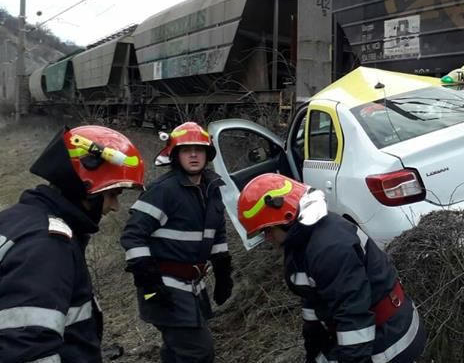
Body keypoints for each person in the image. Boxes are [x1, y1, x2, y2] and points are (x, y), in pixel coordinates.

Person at [236, 174, 426, 363]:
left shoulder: (331, 248)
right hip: (364, 331)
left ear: (285, 218)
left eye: (267, 230)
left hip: (390, 338)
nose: (267, 238)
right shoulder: (302, 242)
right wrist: (312, 351)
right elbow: (313, 305)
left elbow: (354, 320)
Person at [0, 125, 145, 362]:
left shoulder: (18, 218)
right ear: (86, 190)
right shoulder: (47, 245)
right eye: (113, 194)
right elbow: (28, 350)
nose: (114, 207)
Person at [120, 122, 233, 363]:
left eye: (199, 149)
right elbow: (133, 235)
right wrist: (149, 281)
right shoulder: (163, 190)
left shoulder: (211, 188)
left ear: (208, 154)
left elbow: (217, 235)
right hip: (164, 288)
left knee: (176, 353)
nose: (193, 155)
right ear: (175, 155)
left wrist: (224, 273)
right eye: (186, 150)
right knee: (197, 353)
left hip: (193, 287)